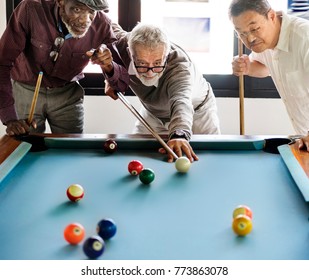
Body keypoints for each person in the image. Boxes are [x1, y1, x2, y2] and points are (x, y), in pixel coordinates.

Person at [0, 0, 129, 136]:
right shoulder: (30, 9)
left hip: (67, 93)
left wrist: (108, 66)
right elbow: (2, 63)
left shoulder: (103, 23)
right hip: (25, 91)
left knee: (73, 150)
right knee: (25, 145)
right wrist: (10, 118)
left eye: (91, 11)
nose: (85, 20)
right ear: (61, 2)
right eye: (77, 10)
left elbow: (121, 84)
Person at [105, 23, 220, 163]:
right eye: (142, 64)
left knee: (210, 161)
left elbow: (181, 101)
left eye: (158, 63)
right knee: (135, 157)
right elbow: (100, 21)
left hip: (198, 113)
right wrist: (110, 75)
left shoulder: (180, 67)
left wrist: (179, 133)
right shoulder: (121, 43)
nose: (150, 72)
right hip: (153, 112)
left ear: (166, 55)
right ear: (130, 53)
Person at [229, 0, 309, 150]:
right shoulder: (265, 42)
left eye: (255, 29)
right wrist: (248, 67)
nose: (250, 39)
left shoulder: (305, 38)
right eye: (242, 33)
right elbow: (265, 67)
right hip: (304, 139)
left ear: (271, 16)